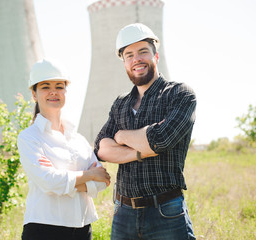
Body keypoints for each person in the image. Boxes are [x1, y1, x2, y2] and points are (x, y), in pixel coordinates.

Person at [94, 23, 197, 239]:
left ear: (156, 56)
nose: (136, 59)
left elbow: (160, 140)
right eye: (129, 55)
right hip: (123, 213)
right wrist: (140, 151)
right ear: (124, 62)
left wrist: (121, 137)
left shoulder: (180, 94)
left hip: (166, 212)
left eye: (143, 52)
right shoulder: (120, 103)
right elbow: (101, 148)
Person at [17, 58, 111, 240]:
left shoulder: (78, 139)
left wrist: (65, 183)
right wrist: (89, 175)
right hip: (44, 228)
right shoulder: (29, 137)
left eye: (59, 86)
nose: (53, 92)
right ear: (34, 94)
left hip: (83, 229)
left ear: (65, 91)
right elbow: (49, 181)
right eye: (45, 86)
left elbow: (103, 180)